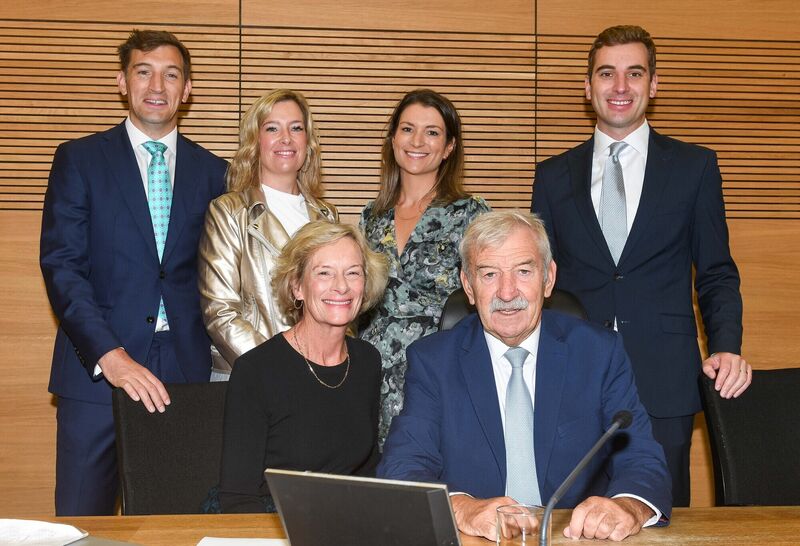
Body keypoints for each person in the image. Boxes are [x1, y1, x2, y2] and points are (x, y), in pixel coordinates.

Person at [530, 25, 752, 506]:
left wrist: (727, 346)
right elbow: (539, 280)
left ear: (654, 84)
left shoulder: (695, 167)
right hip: (572, 378)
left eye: (635, 73)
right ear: (587, 87)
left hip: (664, 379)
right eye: (607, 74)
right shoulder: (551, 175)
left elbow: (716, 271)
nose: (620, 87)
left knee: (661, 517)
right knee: (573, 520)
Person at [378, 211, 671, 542]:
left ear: (548, 279)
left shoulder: (598, 352)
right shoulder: (433, 361)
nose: (507, 292)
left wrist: (628, 508)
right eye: (489, 274)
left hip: (576, 538)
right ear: (468, 287)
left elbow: (643, 459)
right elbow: (403, 470)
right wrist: (462, 509)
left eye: (523, 271)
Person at [40, 29, 228, 515]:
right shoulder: (80, 159)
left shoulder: (216, 173)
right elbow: (62, 266)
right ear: (122, 82)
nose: (157, 86)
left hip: (184, 374)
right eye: (143, 72)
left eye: (171, 74)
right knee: (84, 521)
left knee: (178, 523)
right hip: (96, 374)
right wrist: (110, 356)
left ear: (187, 89)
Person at [213, 221, 387, 512]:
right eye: (324, 273)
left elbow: (367, 470)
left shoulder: (368, 361)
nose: (341, 286)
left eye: (353, 273)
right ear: (297, 287)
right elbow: (238, 498)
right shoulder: (256, 371)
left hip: (345, 522)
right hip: (272, 523)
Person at [359, 88, 490, 445]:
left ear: (449, 147)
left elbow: (490, 298)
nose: (417, 141)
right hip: (370, 377)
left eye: (432, 132)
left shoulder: (471, 214)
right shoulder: (371, 217)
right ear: (392, 139)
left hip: (441, 376)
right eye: (407, 129)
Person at [198, 89, 337, 381]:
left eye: (296, 128)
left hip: (318, 379)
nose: (286, 138)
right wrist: (283, 368)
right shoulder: (229, 211)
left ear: (308, 142)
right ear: (255, 141)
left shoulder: (328, 216)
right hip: (251, 377)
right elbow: (219, 311)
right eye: (272, 128)